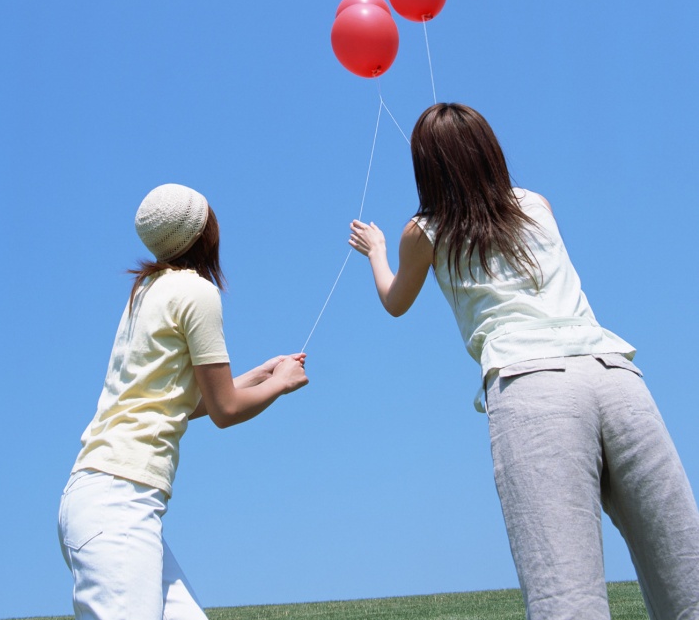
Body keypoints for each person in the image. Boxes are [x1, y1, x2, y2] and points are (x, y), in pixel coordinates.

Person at [349, 102, 699, 620]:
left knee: (567, 595)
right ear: (490, 151)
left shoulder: (423, 231)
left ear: (426, 166)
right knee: (686, 573)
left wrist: (376, 250)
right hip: (615, 373)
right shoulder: (537, 203)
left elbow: (395, 302)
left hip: (531, 386)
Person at [59, 183, 308, 620]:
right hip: (118, 504)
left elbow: (183, 402)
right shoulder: (197, 293)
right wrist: (281, 384)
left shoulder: (149, 289)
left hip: (106, 497)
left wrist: (258, 374)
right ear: (203, 232)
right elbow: (225, 411)